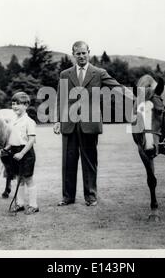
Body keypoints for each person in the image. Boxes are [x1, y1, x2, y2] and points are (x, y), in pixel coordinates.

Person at [53, 41, 134, 207]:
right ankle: (68, 197)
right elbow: (60, 98)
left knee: (89, 161)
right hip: (69, 124)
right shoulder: (65, 74)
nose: (81, 56)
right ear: (73, 55)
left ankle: (91, 196)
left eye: (84, 53)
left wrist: (136, 97)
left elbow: (116, 86)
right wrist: (57, 120)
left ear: (89, 53)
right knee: (68, 161)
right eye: (78, 54)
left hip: (90, 125)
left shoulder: (98, 73)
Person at [0, 92, 38, 215]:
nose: (15, 106)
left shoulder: (29, 121)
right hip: (14, 152)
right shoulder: (13, 120)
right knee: (18, 179)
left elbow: (31, 140)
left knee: (28, 179)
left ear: (26, 105)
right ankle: (20, 204)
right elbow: (14, 138)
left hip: (26, 153)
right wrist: (7, 148)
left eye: (18, 104)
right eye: (13, 104)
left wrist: (21, 153)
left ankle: (33, 205)